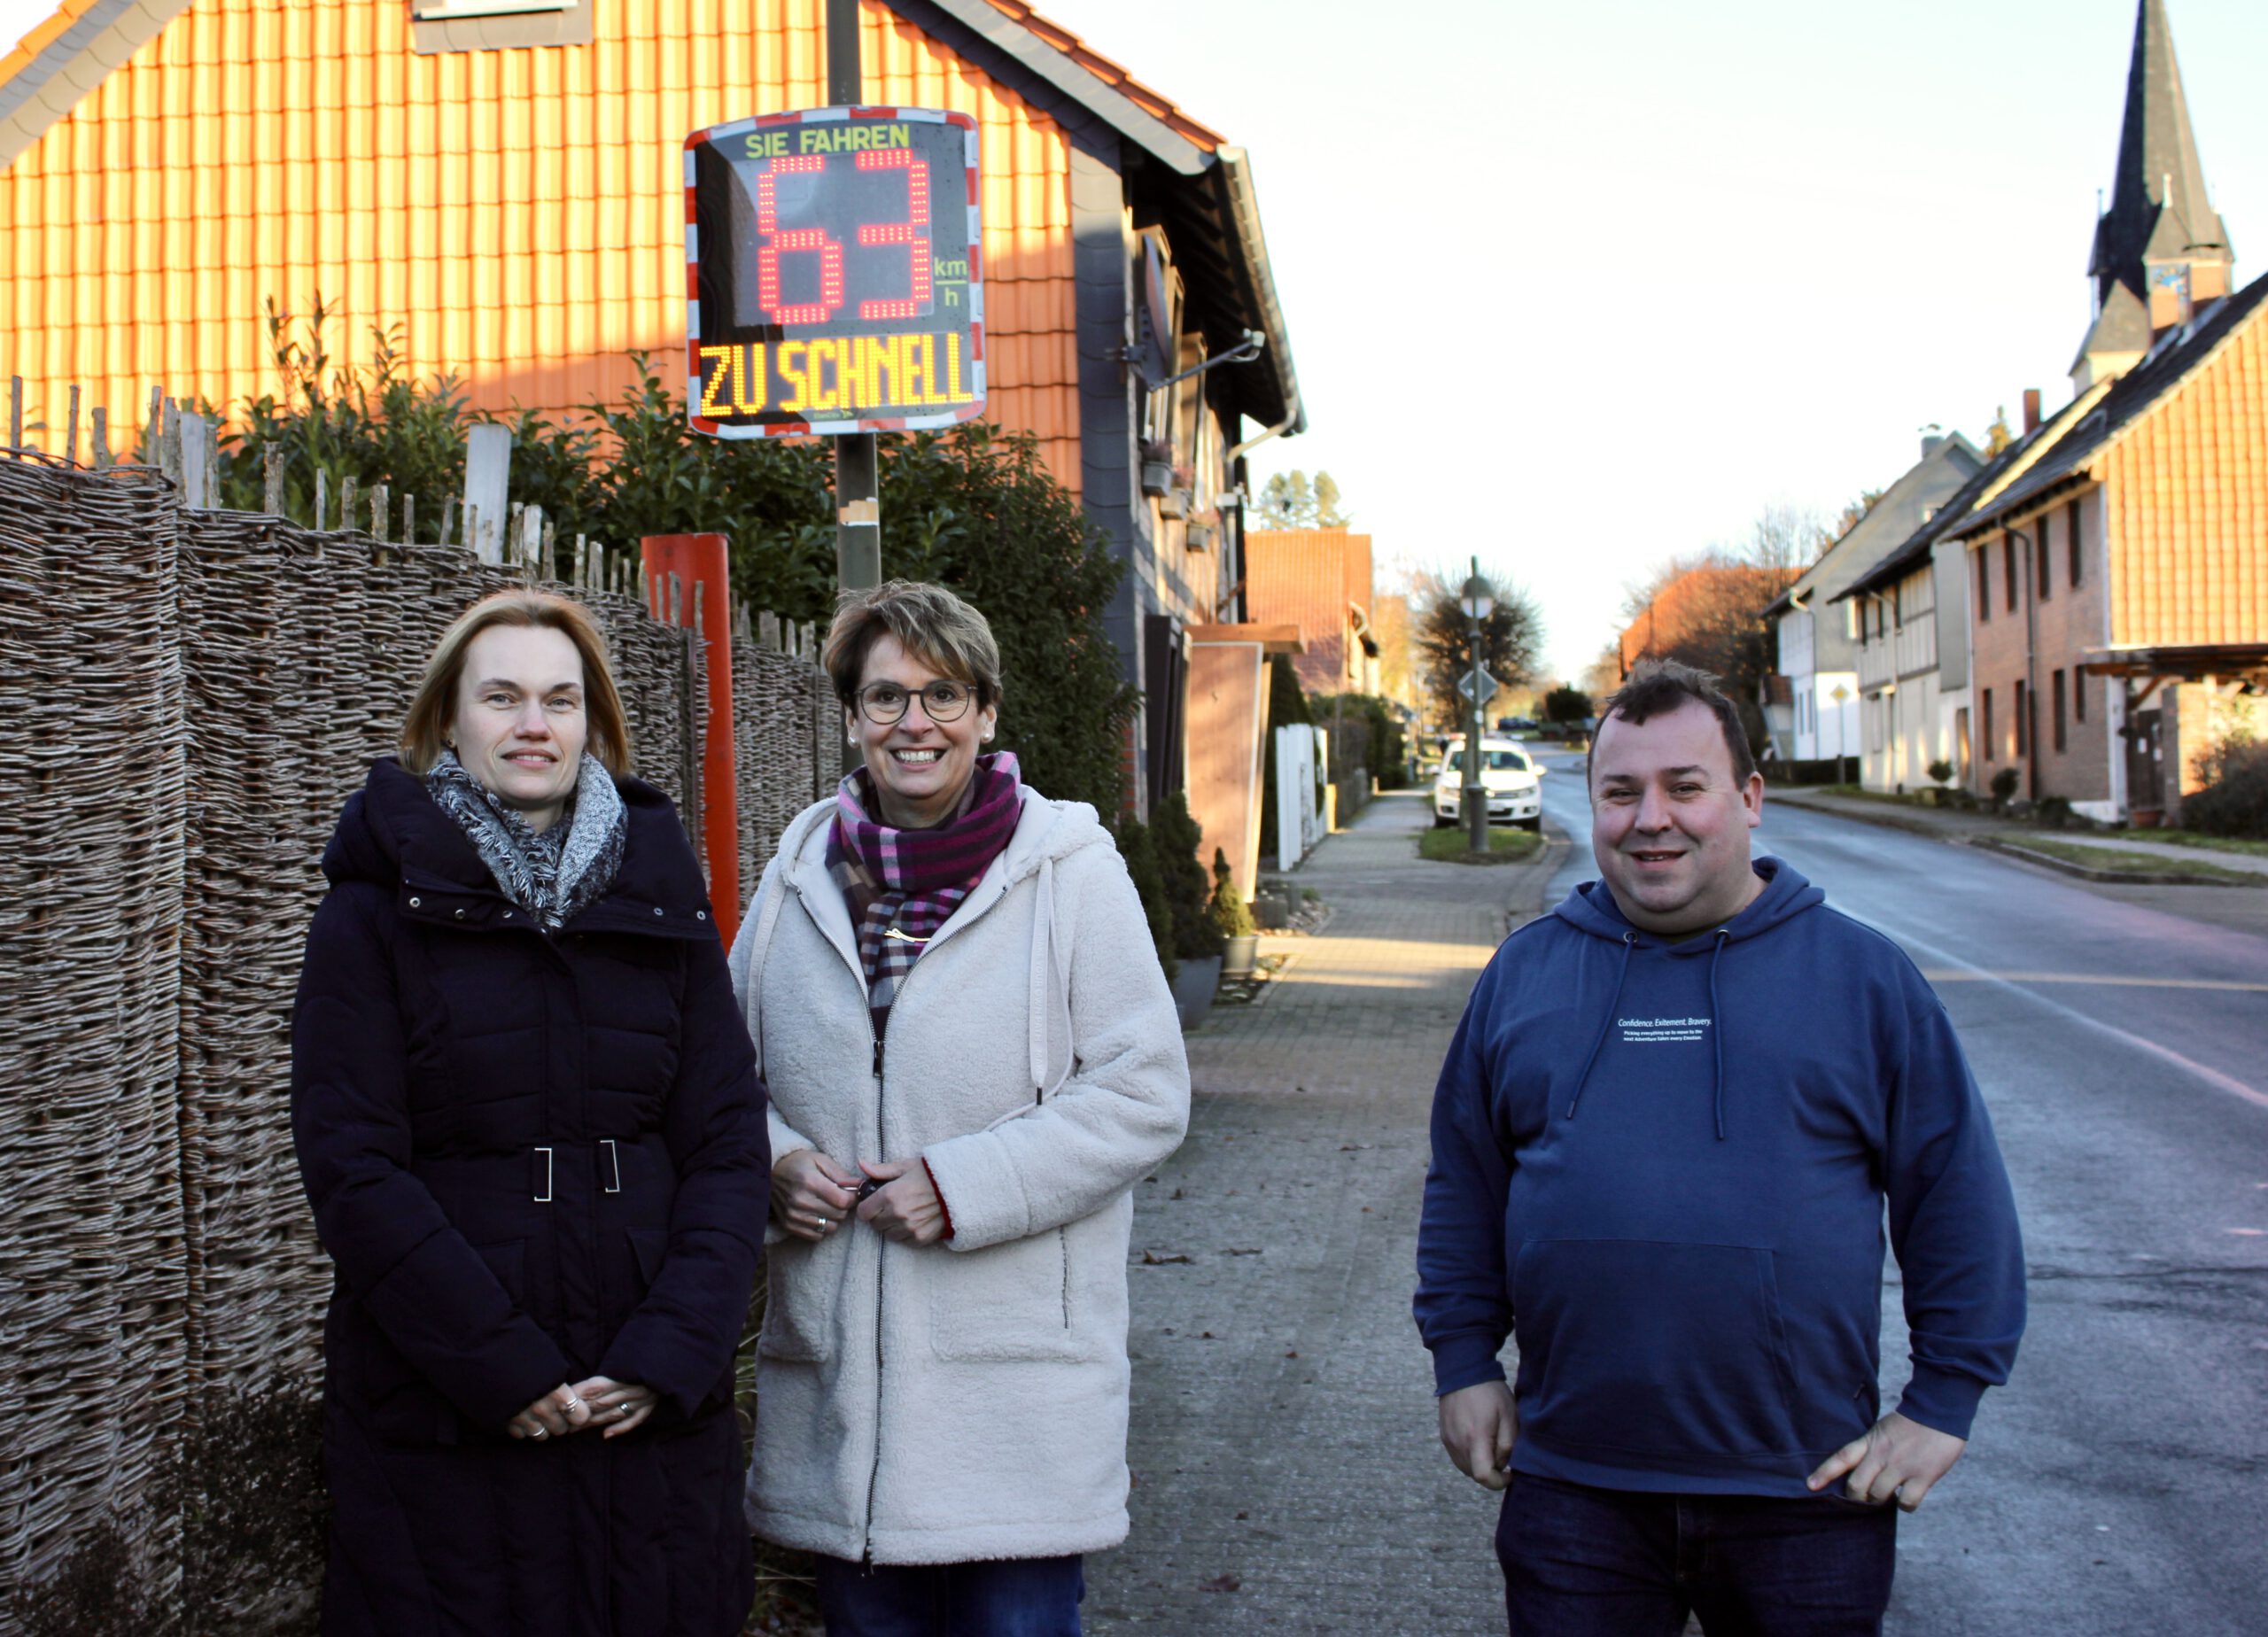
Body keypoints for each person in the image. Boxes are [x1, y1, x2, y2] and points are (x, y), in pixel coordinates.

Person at [1415, 658, 2025, 1636]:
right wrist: (1462, 1361)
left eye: (1683, 788)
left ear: (1747, 798)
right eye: (1620, 792)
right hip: (1574, 1490)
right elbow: (1464, 1190)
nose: (1649, 817)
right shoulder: (1525, 976)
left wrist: (1942, 1403)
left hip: (1803, 1498)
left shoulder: (1863, 981)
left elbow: (1954, 1200)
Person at [291, 590, 770, 1635]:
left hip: (642, 1404)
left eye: (560, 700)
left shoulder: (661, 904)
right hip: (446, 1412)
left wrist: (670, 1356)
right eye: (500, 697)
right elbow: (352, 1168)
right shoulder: (370, 917)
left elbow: (728, 1146)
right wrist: (500, 1367)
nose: (532, 725)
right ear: (445, 723)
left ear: (593, 723)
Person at [731, 579, 1190, 1636]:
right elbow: (716, 1076)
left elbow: (1144, 1090)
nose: (914, 723)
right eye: (885, 698)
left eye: (942, 696)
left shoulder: (1067, 866)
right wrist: (777, 1161)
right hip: (847, 1410)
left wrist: (961, 1184)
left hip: (1014, 1401)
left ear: (985, 713)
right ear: (850, 715)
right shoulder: (800, 869)